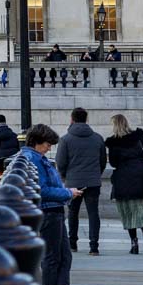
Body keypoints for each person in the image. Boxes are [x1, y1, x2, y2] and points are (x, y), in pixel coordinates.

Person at [22, 124, 87, 285]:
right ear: (36, 142)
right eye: (47, 144)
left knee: (62, 258)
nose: (49, 148)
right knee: (53, 259)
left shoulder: (34, 157)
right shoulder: (33, 158)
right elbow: (41, 190)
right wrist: (68, 193)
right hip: (48, 212)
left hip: (52, 211)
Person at [57, 107, 106, 256]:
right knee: (93, 213)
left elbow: (60, 162)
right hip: (93, 181)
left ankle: (72, 243)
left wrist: (66, 176)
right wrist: (96, 174)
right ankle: (94, 246)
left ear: (72, 119)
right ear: (86, 119)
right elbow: (102, 161)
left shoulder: (65, 139)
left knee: (73, 212)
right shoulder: (97, 138)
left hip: (73, 180)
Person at [105, 113, 143, 254]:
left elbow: (113, 162)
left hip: (122, 177)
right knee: (141, 207)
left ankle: (134, 243)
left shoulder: (113, 142)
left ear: (115, 125)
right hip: (139, 174)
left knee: (127, 211)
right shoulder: (138, 136)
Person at [0, 114, 21, 179]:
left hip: (0, 164)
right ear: (5, 122)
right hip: (13, 162)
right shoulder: (14, 136)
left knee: (1, 182)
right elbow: (19, 148)